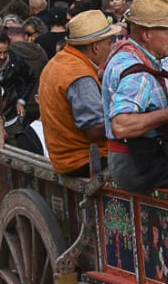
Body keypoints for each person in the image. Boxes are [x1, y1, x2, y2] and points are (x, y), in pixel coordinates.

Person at [103, 0, 168, 193]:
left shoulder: (125, 56)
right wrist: (167, 114)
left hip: (131, 162)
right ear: (146, 35)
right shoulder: (138, 74)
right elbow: (121, 125)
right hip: (137, 167)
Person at [38, 9, 118, 178]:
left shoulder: (60, 60)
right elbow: (94, 129)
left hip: (65, 157)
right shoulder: (79, 75)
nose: (111, 47)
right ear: (96, 47)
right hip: (82, 160)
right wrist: (128, 120)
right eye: (109, 42)